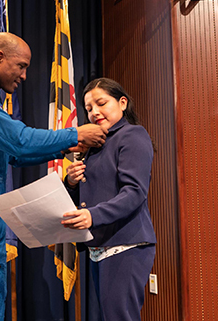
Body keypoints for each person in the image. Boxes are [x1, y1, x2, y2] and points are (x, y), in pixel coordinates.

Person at [0, 32, 107, 320]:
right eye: (21, 65)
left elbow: (12, 155)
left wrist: (64, 147)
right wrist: (75, 133)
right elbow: (18, 140)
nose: (24, 75)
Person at [62, 78, 156, 321]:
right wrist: (71, 182)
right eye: (89, 108)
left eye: (101, 103)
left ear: (122, 103)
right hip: (99, 245)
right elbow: (88, 195)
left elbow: (134, 192)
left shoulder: (132, 135)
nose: (95, 112)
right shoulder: (94, 145)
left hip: (126, 243)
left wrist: (93, 216)